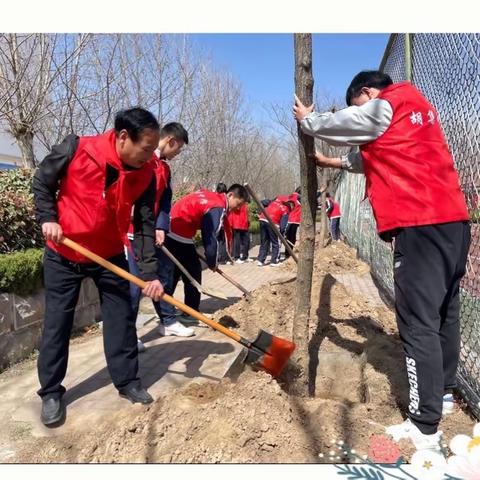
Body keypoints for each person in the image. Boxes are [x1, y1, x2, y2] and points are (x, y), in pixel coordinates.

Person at [294, 70, 471, 451]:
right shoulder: (416, 110)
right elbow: (370, 155)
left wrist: (309, 121)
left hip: (418, 224)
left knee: (417, 323)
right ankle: (441, 394)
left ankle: (424, 425)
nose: (362, 112)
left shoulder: (387, 103)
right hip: (453, 222)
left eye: (359, 103)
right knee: (444, 313)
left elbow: (349, 124)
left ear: (367, 92)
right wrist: (336, 163)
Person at [32, 107, 165, 426]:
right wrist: (48, 218)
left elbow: (145, 224)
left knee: (121, 319)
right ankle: (51, 391)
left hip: (108, 255)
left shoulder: (147, 172)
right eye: (145, 148)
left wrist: (149, 274)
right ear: (123, 137)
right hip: (65, 251)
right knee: (57, 324)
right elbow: (41, 183)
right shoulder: (76, 149)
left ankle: (128, 381)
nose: (149, 156)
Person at [126, 122, 189, 348]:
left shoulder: (165, 168)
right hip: (132, 234)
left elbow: (164, 200)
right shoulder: (141, 160)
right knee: (134, 287)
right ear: (170, 140)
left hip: (152, 233)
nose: (178, 153)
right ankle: (128, 333)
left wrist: (161, 227)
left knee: (163, 278)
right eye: (178, 148)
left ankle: (168, 321)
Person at [155, 184, 248, 331]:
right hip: (177, 233)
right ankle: (175, 315)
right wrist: (212, 261)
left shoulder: (213, 198)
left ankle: (174, 310)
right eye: (238, 204)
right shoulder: (217, 206)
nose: (237, 208)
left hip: (176, 230)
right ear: (230, 195)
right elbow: (210, 237)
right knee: (185, 273)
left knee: (179, 273)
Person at [257, 199, 293, 267]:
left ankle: (260, 260)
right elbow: (283, 227)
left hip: (262, 219)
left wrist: (258, 212)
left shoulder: (273, 203)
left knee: (264, 241)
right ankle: (274, 261)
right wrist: (282, 235)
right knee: (276, 242)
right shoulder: (285, 210)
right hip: (272, 222)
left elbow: (262, 202)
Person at [215, 183, 231, 265]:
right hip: (221, 223)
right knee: (222, 242)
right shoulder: (225, 198)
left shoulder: (215, 196)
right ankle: (222, 258)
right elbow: (226, 211)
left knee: (217, 241)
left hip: (214, 223)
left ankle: (218, 258)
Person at [285, 190, 301, 258]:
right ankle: (289, 253)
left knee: (288, 237)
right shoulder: (299, 197)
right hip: (295, 220)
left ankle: (287, 253)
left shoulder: (291, 196)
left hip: (289, 219)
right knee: (292, 237)